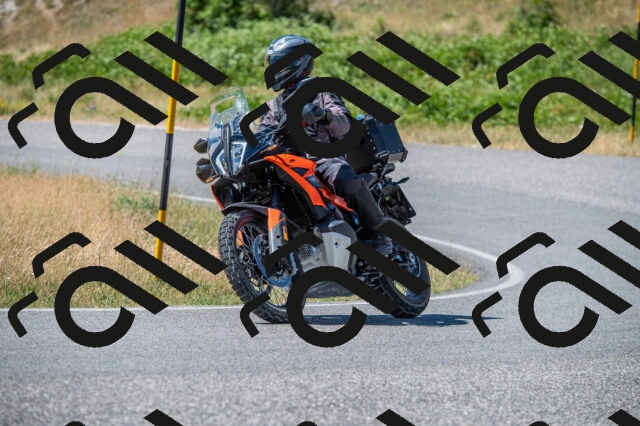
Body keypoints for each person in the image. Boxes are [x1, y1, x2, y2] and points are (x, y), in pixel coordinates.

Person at [256, 34, 392, 255]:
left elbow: (344, 125)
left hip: (322, 160)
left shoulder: (321, 92)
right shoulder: (274, 106)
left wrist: (324, 115)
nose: (276, 69)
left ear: (298, 62)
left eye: (281, 64)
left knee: (344, 178)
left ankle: (377, 231)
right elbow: (260, 135)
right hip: (290, 164)